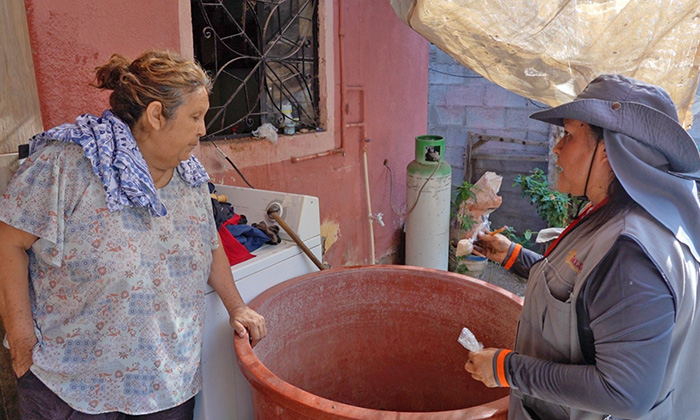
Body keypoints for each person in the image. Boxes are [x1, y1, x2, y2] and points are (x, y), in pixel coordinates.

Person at [0, 50, 267, 419]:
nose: (203, 129)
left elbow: (208, 242)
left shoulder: (189, 176)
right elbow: (9, 242)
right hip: (72, 390)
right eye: (194, 116)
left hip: (168, 386)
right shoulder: (67, 164)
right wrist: (21, 339)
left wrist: (237, 306)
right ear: (156, 115)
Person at [465, 74, 700, 419]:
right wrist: (511, 255)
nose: (557, 147)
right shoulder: (613, 212)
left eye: (569, 135)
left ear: (607, 151)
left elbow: (623, 393)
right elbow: (582, 295)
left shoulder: (631, 253)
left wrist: (506, 369)